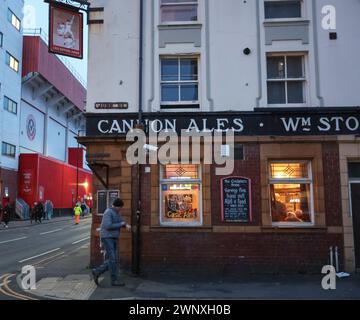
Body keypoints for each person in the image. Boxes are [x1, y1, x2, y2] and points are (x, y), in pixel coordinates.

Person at [92, 198, 131, 287]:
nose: (120, 210)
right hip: (107, 237)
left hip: (113, 237)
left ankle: (97, 271)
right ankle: (114, 280)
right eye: (120, 208)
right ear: (117, 206)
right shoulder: (108, 212)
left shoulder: (116, 212)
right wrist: (121, 224)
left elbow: (120, 221)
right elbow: (108, 225)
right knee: (113, 259)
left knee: (114, 260)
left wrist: (125, 224)